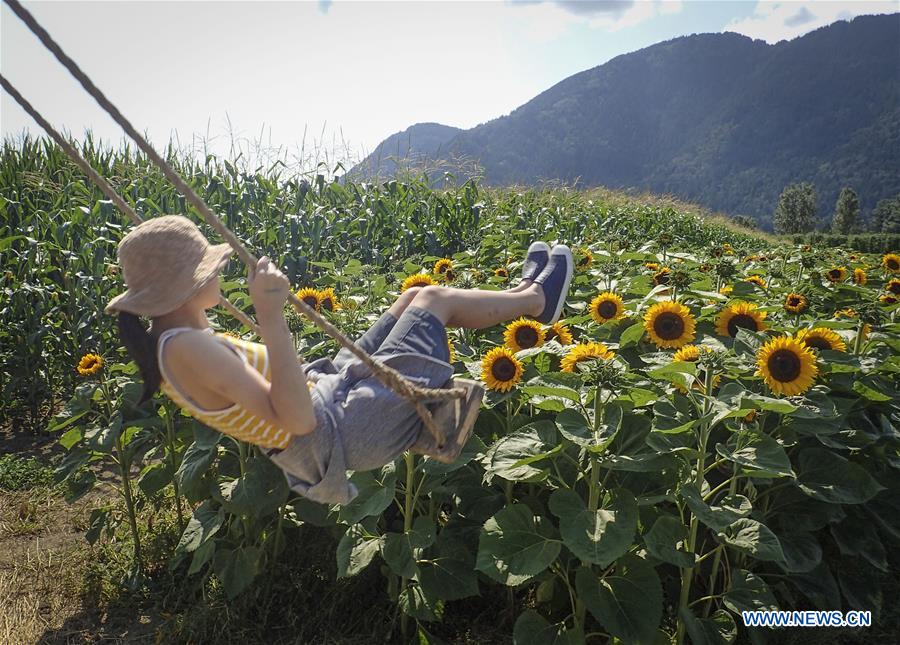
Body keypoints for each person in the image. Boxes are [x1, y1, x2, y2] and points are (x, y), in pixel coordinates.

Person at [104, 215, 573, 504]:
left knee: (412, 298)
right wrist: (270, 316)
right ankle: (537, 301)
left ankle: (517, 293)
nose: (220, 272)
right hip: (344, 429)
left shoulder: (171, 339)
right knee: (433, 301)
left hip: (331, 394)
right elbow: (297, 421)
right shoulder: (188, 348)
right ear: (187, 284)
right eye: (209, 267)